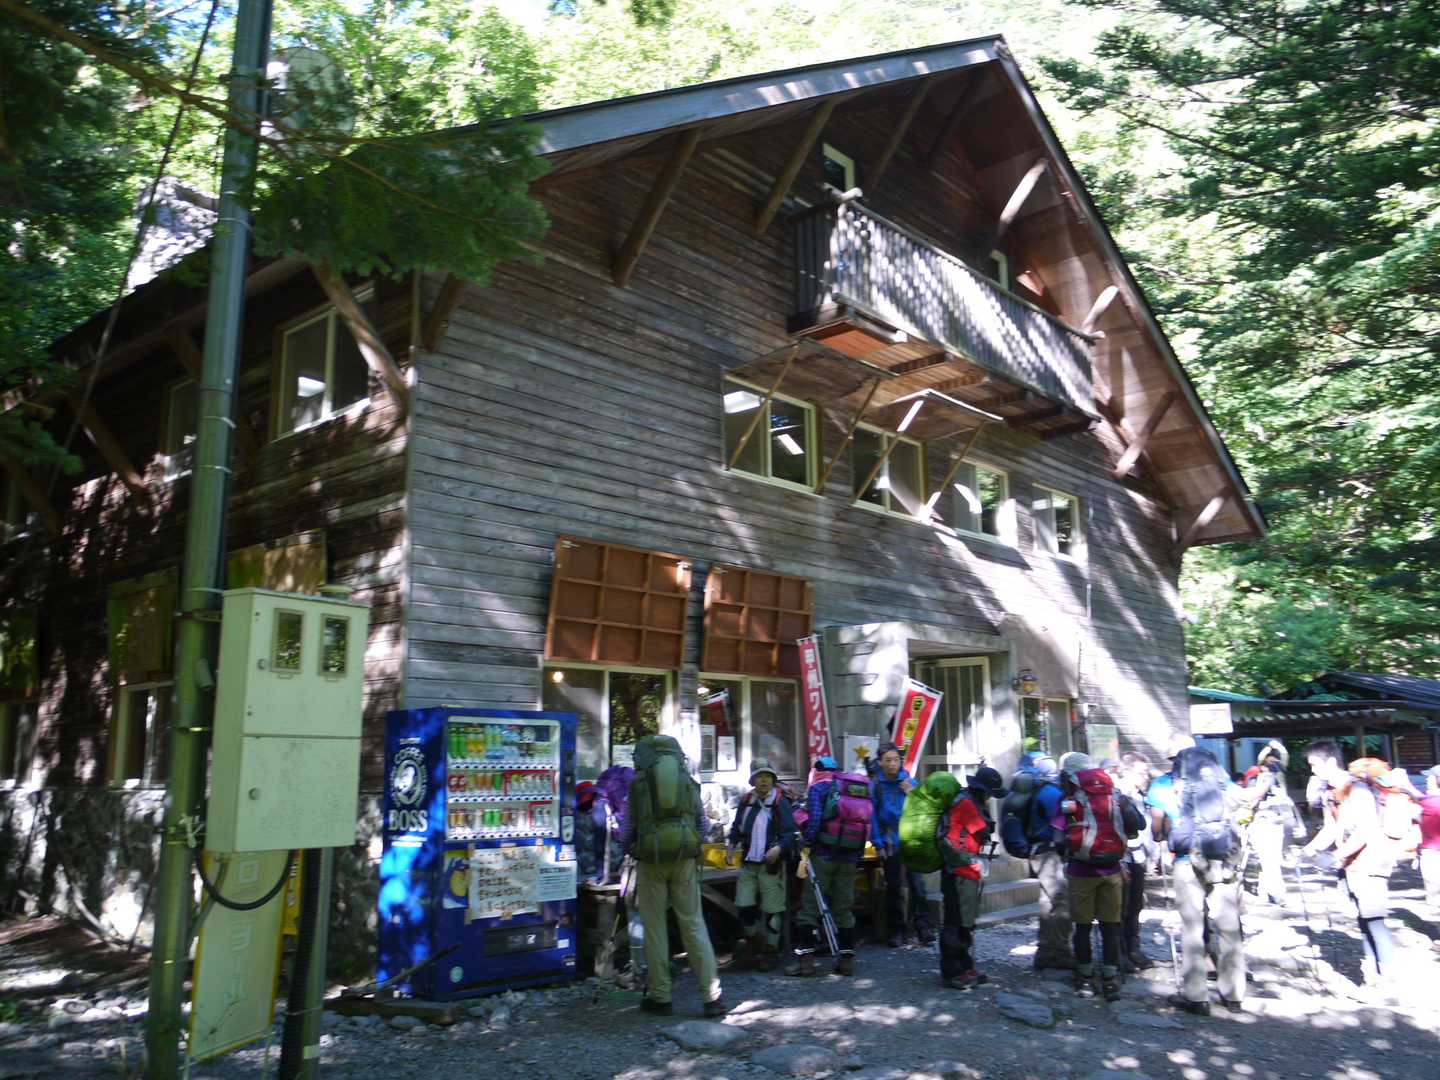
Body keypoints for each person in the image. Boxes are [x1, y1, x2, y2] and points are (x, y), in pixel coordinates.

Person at [622, 734, 726, 1017]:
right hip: (684, 860)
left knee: (654, 928)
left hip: (651, 861)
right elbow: (703, 825)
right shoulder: (688, 782)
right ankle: (712, 997)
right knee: (693, 924)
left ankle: (660, 997)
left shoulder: (638, 784)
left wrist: (630, 849)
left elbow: (627, 830)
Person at [1300, 739, 1398, 999]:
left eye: (1314, 765)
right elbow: (1332, 828)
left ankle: (1387, 984)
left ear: (1331, 761)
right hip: (1352, 865)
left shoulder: (1357, 790)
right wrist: (1309, 850)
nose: (1313, 770)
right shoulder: (1332, 792)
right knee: (1364, 922)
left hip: (1370, 864)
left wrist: (1334, 856)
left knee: (1374, 923)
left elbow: (1365, 832)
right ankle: (1373, 980)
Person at [1166, 743, 1245, 1016]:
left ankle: (1196, 996)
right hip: (1224, 860)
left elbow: (1168, 828)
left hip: (1189, 861)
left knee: (1192, 928)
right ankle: (1234, 995)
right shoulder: (1224, 785)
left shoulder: (1177, 787)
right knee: (1228, 928)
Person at [1057, 753, 1142, 1002]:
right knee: (1110, 926)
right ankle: (1110, 980)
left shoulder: (1070, 801)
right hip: (1112, 870)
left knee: (1082, 928)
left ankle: (1085, 978)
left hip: (1080, 871)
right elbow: (1139, 825)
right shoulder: (1117, 797)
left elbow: (1060, 835)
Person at [788, 756, 869, 977]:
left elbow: (814, 821)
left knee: (810, 906)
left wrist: (807, 843)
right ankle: (846, 961)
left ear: (815, 771)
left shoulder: (819, 787)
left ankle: (806, 962)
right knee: (844, 906)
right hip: (850, 857)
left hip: (823, 855)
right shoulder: (852, 789)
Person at [937, 767, 1005, 989]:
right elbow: (983, 830)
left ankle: (965, 967)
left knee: (963, 921)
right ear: (983, 791)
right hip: (959, 870)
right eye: (990, 794)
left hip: (962, 869)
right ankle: (953, 972)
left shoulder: (965, 800)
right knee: (956, 922)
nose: (990, 798)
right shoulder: (967, 804)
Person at [726, 758, 796, 971]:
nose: (764, 780)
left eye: (767, 776)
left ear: (773, 779)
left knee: (772, 909)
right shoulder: (747, 800)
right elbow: (737, 827)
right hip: (749, 862)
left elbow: (789, 834)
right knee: (743, 904)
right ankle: (753, 942)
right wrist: (731, 847)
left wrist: (778, 849)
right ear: (753, 780)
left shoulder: (780, 802)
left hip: (771, 866)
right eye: (759, 776)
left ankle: (771, 952)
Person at [867, 742, 934, 947]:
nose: (892, 764)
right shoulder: (876, 786)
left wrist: (912, 793)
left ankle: (923, 927)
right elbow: (872, 817)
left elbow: (927, 810)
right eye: (888, 760)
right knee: (894, 887)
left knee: (918, 885)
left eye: (896, 760)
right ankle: (897, 930)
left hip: (912, 839)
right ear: (880, 762)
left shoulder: (910, 782)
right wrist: (878, 844)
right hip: (889, 841)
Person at [1022, 753, 1073, 971]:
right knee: (1062, 902)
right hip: (1049, 853)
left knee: (1048, 903)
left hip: (1039, 851)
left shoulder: (1038, 791)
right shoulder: (1052, 794)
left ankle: (1045, 952)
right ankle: (1059, 952)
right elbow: (1061, 823)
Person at [1237, 740, 1303, 908]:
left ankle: (1271, 892)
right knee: (1268, 859)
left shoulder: (1275, 775)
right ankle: (1271, 892)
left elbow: (1284, 756)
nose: (1272, 763)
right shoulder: (1262, 777)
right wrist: (1268, 748)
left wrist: (1276, 747)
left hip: (1273, 820)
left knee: (1269, 858)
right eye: (1269, 761)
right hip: (1268, 821)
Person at [1114, 752, 1156, 970]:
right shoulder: (1117, 793)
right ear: (1128, 771)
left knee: (1135, 905)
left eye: (1146, 773)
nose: (1146, 777)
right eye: (1142, 773)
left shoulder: (1140, 794)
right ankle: (1119, 952)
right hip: (1122, 857)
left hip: (1138, 857)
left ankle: (1133, 948)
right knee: (1120, 907)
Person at [1420, 765, 1440, 952]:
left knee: (1436, 896)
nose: (1426, 780)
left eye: (1430, 777)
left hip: (1433, 854)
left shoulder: (1430, 802)